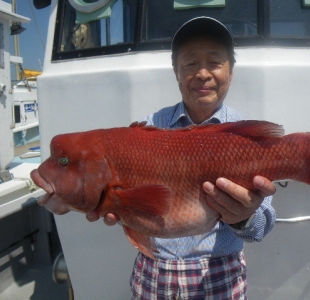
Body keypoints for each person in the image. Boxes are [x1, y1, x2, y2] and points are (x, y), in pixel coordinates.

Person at [87, 16, 276, 299]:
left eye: (214, 62)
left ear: (231, 71)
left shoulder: (247, 138)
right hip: (153, 274)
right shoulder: (146, 128)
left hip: (220, 276)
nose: (202, 73)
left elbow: (263, 226)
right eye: (189, 63)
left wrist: (244, 218)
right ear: (176, 71)